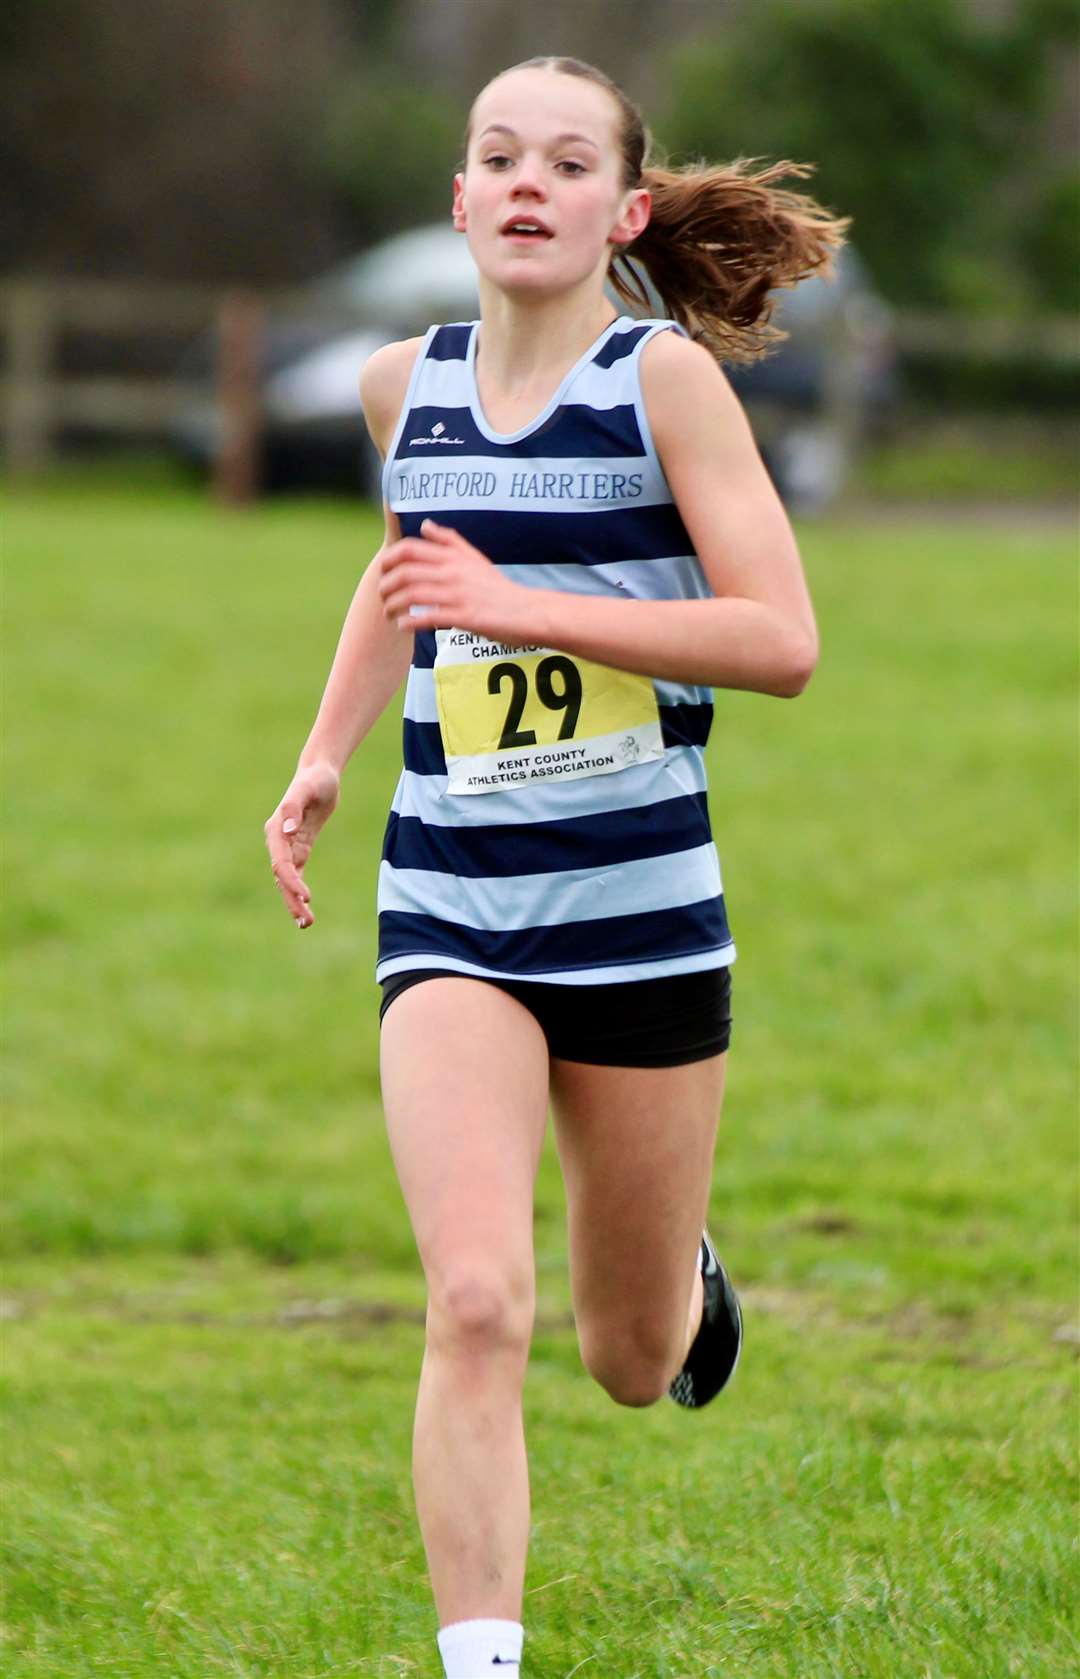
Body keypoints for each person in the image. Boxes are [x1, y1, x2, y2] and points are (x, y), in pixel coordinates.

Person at [265, 55, 847, 1679]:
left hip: (642, 915)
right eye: (499, 156)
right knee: (471, 1302)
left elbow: (782, 642)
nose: (530, 181)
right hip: (449, 898)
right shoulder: (406, 384)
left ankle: (685, 1273)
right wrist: (326, 754)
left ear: (623, 209)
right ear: (460, 199)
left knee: (626, 1350)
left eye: (569, 162)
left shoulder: (664, 385)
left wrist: (530, 608)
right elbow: (407, 577)